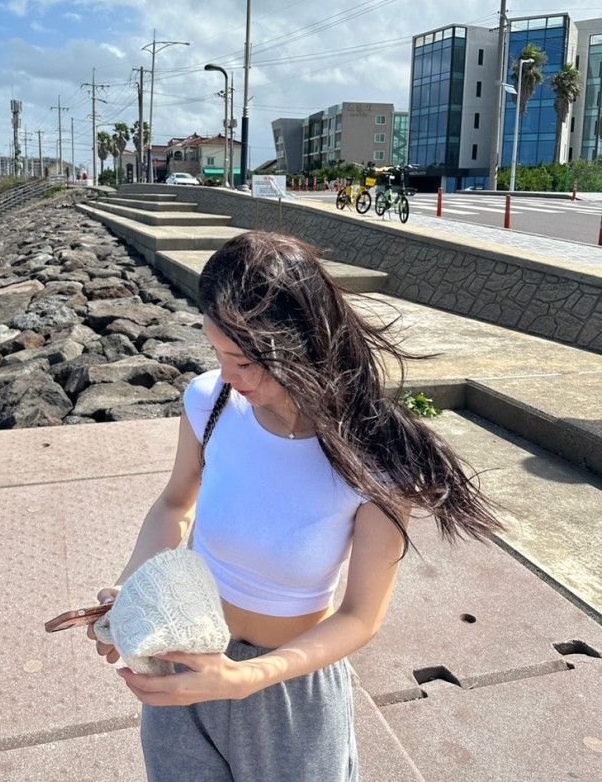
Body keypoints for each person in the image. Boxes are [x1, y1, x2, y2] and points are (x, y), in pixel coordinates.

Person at [87, 230, 501, 781]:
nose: (228, 377)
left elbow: (360, 616)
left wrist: (244, 678)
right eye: (217, 353)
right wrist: (132, 590)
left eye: (244, 361)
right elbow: (174, 504)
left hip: (287, 689)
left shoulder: (376, 456)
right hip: (181, 655)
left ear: (298, 341)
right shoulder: (210, 403)